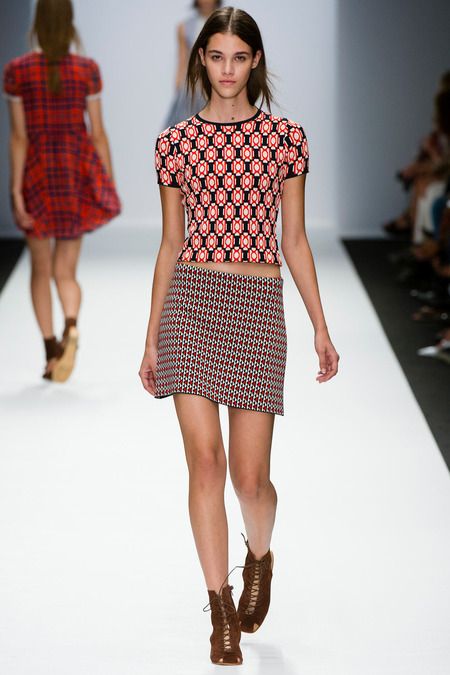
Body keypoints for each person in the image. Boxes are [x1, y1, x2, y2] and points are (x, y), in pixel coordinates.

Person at [139, 6, 339, 666]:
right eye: (217, 56)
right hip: (192, 304)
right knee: (206, 463)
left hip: (256, 308)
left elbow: (296, 241)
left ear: (255, 62)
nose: (227, 69)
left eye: (240, 57)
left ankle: (260, 556)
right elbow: (170, 245)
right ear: (202, 59)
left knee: (251, 481)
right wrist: (152, 338)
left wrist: (320, 326)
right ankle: (219, 607)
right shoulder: (175, 144)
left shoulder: (285, 138)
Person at [3, 0, 120, 382]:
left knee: (40, 268)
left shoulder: (17, 71)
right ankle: (71, 324)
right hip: (73, 173)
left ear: (37, 22)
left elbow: (19, 137)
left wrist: (16, 190)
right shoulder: (87, 69)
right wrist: (107, 181)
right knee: (65, 271)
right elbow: (98, 133)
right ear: (70, 22)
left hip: (36, 175)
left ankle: (51, 349)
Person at [163, 0, 222, 128]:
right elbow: (182, 62)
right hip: (193, 86)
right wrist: (179, 90)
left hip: (218, 83)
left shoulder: (227, 24)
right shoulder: (184, 27)